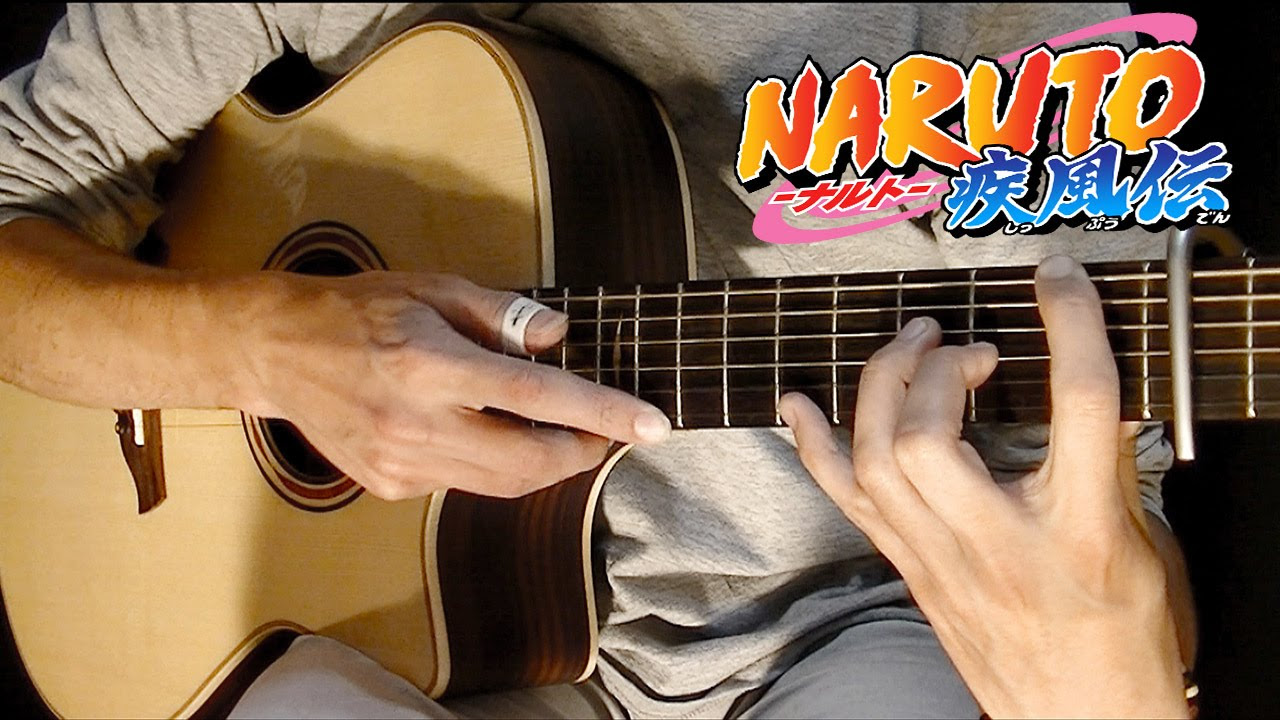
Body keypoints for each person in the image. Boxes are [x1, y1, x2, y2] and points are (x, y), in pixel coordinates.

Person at [0, 4, 1195, 718]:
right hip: (383, 642)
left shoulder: (1008, 34)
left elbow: (1110, 512)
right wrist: (259, 346)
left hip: (855, 633)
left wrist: (1108, 671)